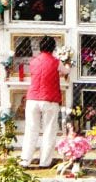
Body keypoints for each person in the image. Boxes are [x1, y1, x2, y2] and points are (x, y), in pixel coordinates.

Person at [20, 36, 70, 168]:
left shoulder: (33, 61)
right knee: (49, 130)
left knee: (31, 129)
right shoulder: (55, 61)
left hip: (32, 99)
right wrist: (68, 63)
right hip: (50, 99)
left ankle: (25, 160)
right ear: (53, 48)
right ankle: (45, 162)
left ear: (40, 47)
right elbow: (66, 71)